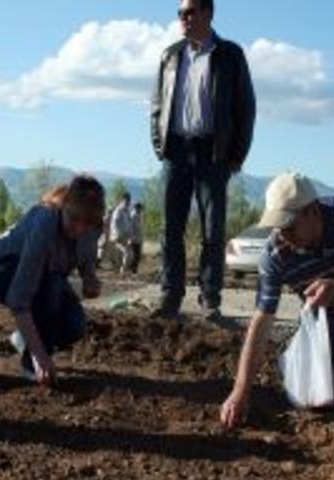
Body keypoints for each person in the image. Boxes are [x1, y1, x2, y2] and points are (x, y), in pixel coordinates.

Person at [220, 173, 334, 428]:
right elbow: (261, 321)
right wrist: (240, 391)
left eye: (289, 226)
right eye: (278, 227)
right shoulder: (275, 255)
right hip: (327, 313)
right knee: (313, 395)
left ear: (313, 212)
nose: (283, 235)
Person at [150, 0, 256, 322]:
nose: (185, 18)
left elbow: (245, 107)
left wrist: (236, 154)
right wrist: (160, 146)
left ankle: (210, 300)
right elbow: (157, 106)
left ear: (209, 14)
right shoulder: (170, 56)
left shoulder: (230, 55)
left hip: (214, 154)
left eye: (191, 12)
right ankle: (170, 296)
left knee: (213, 230)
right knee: (171, 229)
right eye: (181, 13)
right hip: (176, 152)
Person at [0, 176, 105, 385]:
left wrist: (90, 279)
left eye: (87, 223)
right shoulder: (45, 225)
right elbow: (19, 299)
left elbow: (85, 258)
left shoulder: (92, 228)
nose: (79, 229)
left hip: (47, 277)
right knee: (53, 287)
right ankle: (32, 364)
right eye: (74, 219)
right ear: (64, 206)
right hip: (2, 269)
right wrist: (40, 356)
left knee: (75, 325)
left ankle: (24, 339)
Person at [110, 192, 133, 275]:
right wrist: (117, 235)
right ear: (123, 200)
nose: (129, 202)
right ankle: (121, 271)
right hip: (118, 236)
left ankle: (121, 270)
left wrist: (130, 235)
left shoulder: (127, 211)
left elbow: (129, 224)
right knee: (127, 253)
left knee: (128, 254)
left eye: (129, 200)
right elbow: (115, 223)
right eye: (127, 200)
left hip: (125, 235)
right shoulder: (118, 210)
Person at [129, 202, 145, 274]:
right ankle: (133, 270)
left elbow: (141, 227)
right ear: (137, 208)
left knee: (138, 255)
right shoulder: (133, 215)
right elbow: (131, 228)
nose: (141, 210)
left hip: (138, 238)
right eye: (140, 208)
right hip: (134, 238)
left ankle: (133, 269)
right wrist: (131, 238)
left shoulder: (139, 215)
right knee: (135, 255)